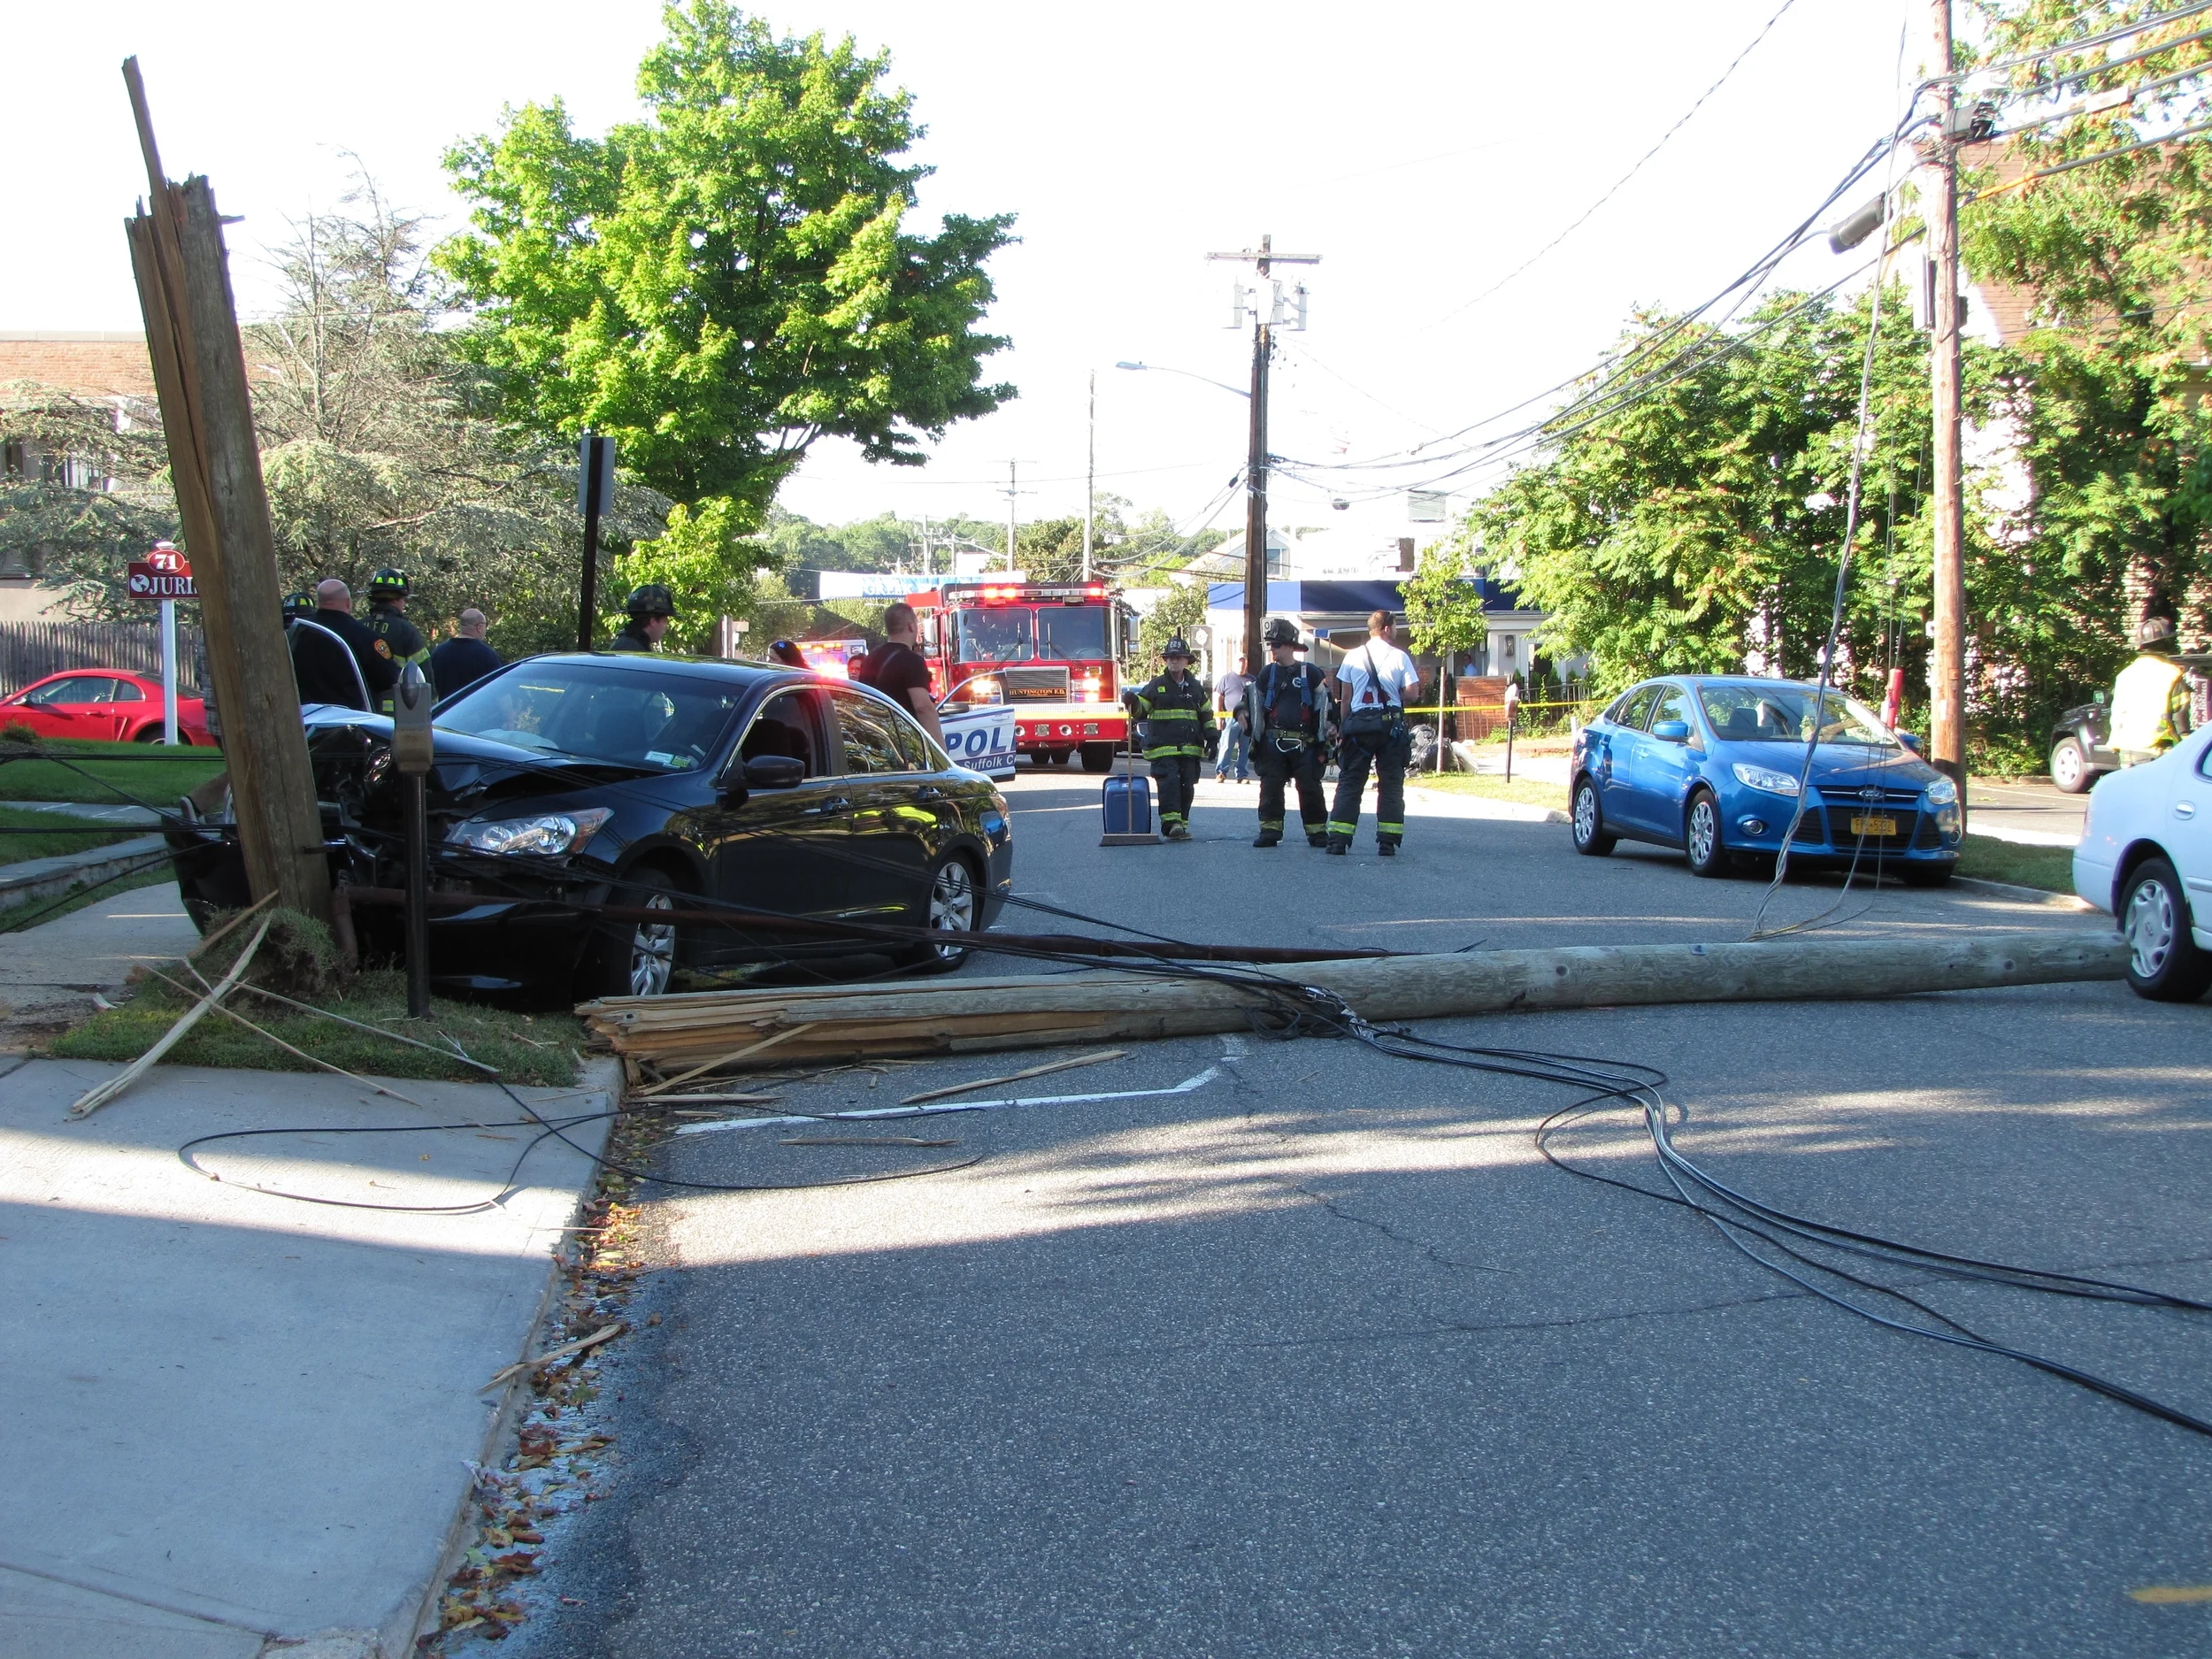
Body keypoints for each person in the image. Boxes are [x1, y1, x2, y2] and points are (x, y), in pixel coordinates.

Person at [1324, 609, 1421, 856]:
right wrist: (1393, 693)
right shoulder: (1399, 657)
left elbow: (1346, 698)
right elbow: (1412, 693)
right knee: (1391, 785)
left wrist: (1344, 727)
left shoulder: (1352, 656)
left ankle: (1338, 840)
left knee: (1350, 783)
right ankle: (1387, 842)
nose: (1396, 630)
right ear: (1387, 628)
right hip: (1390, 728)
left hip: (1359, 727)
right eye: (1395, 626)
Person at [1248, 619, 1332, 848]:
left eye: (1275, 644)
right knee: (1270, 787)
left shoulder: (1311, 673)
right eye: (1270, 645)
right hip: (1272, 743)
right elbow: (1252, 703)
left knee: (1310, 787)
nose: (1272, 649)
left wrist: (1330, 730)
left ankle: (1317, 832)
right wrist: (1242, 715)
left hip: (1305, 744)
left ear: (1289, 646)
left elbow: (1326, 706)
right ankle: (1270, 831)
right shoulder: (1267, 674)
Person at [1126, 638, 1214, 841]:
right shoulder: (1156, 686)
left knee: (1187, 787)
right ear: (1166, 661)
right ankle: (1171, 824)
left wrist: (1212, 737)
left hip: (1190, 749)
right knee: (1169, 784)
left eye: (1178, 657)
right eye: (1170, 657)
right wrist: (1133, 702)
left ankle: (1182, 824)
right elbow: (1140, 711)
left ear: (1187, 661)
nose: (1174, 661)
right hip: (1163, 749)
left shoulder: (1196, 688)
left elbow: (1206, 715)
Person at [853, 602, 946, 749]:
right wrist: (940, 749)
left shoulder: (870, 659)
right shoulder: (911, 660)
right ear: (911, 626)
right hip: (903, 743)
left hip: (876, 742)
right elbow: (923, 708)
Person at [292, 578, 395, 710]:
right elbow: (389, 678)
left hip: (306, 716)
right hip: (350, 717)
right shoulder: (364, 636)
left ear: (320, 602)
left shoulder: (299, 631)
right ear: (348, 603)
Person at [2110, 616, 2194, 764]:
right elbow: (2180, 717)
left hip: (2126, 751)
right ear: (2166, 643)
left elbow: (2117, 713)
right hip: (2157, 751)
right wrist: (2189, 748)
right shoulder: (2171, 674)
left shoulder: (2125, 674)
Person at [362, 568, 432, 711]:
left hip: (361, 711)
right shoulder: (406, 631)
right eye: (403, 600)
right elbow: (423, 674)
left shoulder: (359, 627)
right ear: (395, 600)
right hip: (397, 713)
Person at [429, 609, 503, 700]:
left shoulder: (439, 652)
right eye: (486, 625)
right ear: (479, 627)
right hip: (476, 708)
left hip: (446, 708)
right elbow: (498, 691)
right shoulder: (487, 656)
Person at [1214, 654, 1252, 783]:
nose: (1241, 664)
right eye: (1239, 662)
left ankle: (1242, 775)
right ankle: (1221, 772)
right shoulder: (1226, 679)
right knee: (1226, 746)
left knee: (1245, 748)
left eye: (1243, 662)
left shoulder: (1252, 680)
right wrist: (1218, 717)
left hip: (1247, 719)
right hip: (1230, 718)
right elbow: (1218, 698)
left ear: (1246, 664)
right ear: (1234, 663)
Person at [611, 585, 676, 654]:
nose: (666, 627)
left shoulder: (632, 644)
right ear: (653, 621)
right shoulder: (630, 650)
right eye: (665, 621)